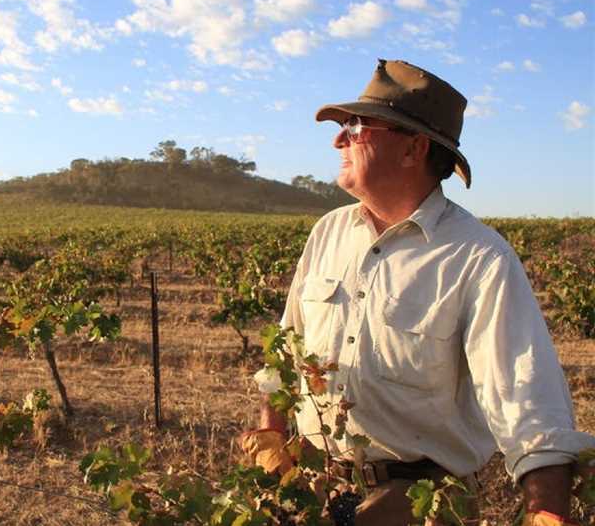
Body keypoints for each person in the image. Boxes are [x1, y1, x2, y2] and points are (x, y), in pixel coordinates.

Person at [241, 59, 595, 525]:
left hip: (416, 504)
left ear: (413, 149)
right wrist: (272, 438)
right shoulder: (329, 232)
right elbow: (287, 354)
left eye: (358, 126)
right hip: (312, 488)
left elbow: (528, 404)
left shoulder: (478, 257)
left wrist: (547, 512)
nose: (338, 139)